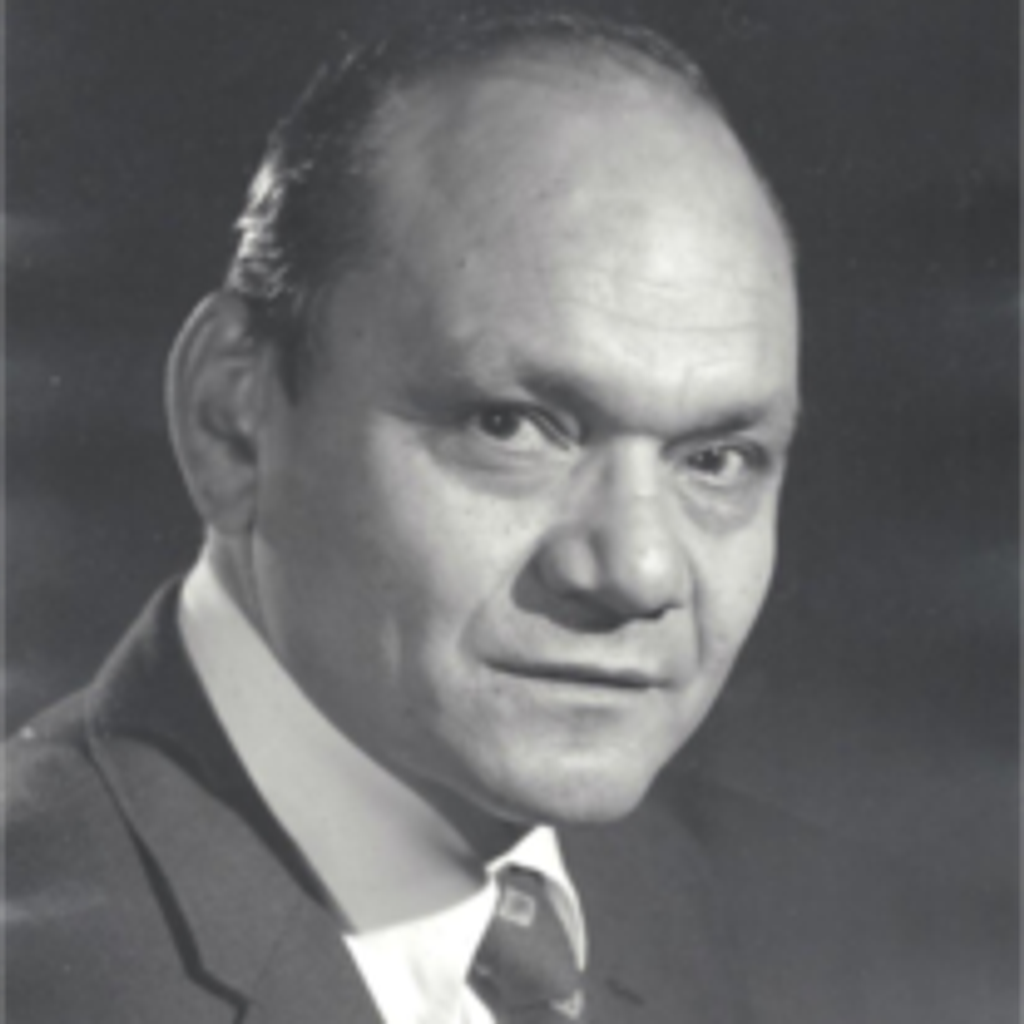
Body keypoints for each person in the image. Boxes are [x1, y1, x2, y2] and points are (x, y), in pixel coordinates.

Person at [0, 10, 800, 1023]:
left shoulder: (696, 907)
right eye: (511, 425)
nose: (639, 570)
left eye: (716, 459)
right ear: (232, 421)